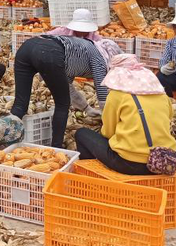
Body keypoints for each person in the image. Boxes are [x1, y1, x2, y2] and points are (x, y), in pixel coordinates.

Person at [10, 12, 109, 148]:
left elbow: (67, 87)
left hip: (27, 48)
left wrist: (87, 108)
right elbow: (102, 91)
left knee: (20, 104)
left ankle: (6, 142)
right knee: (62, 104)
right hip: (48, 53)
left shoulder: (83, 48)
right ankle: (56, 148)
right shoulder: (100, 56)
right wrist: (108, 118)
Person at [74, 54, 176, 175]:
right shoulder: (162, 95)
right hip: (164, 161)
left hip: (129, 163)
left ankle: (90, 176)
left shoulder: (116, 95)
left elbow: (108, 132)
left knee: (81, 134)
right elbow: (168, 121)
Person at [46, 8, 117, 117]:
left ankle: (101, 112)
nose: (83, 32)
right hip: (63, 64)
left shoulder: (95, 40)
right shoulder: (61, 32)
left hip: (81, 69)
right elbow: (43, 39)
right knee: (63, 86)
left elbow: (99, 75)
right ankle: (66, 106)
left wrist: (104, 108)